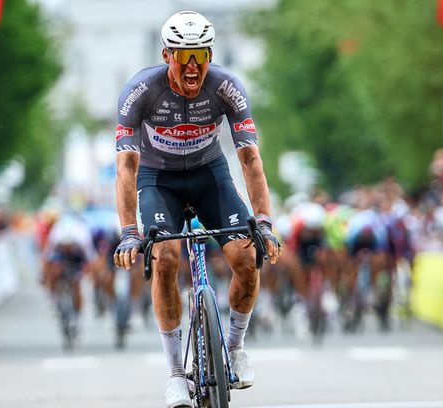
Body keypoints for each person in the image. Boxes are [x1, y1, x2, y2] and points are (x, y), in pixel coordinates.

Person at [112, 11, 281, 408]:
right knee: (165, 259)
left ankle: (234, 347)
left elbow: (250, 159)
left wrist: (264, 221)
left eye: (201, 55)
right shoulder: (140, 91)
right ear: (166, 55)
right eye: (183, 55)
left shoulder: (226, 87)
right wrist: (129, 232)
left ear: (210, 55)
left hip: (209, 176)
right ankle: (175, 374)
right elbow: (127, 168)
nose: (192, 65)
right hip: (159, 180)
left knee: (247, 258)